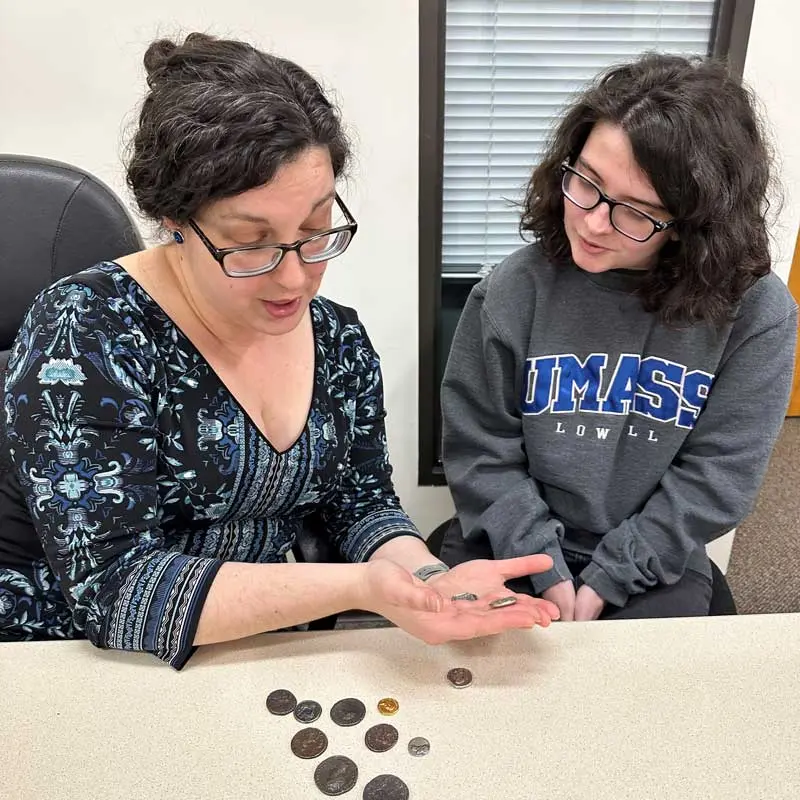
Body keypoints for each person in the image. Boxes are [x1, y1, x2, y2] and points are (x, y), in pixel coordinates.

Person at [0, 33, 559, 668]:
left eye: (316, 230)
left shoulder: (339, 340)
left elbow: (361, 504)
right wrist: (359, 588)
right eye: (250, 243)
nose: (295, 278)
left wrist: (429, 583)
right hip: (76, 665)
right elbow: (115, 588)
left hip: (261, 649)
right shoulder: (88, 332)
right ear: (173, 223)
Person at [439, 53, 798, 622]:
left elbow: (718, 478)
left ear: (692, 225)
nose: (592, 222)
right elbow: (483, 453)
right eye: (586, 182)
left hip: (655, 555)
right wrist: (545, 568)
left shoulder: (756, 315)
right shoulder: (514, 288)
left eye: (636, 212)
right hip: (513, 538)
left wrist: (612, 576)